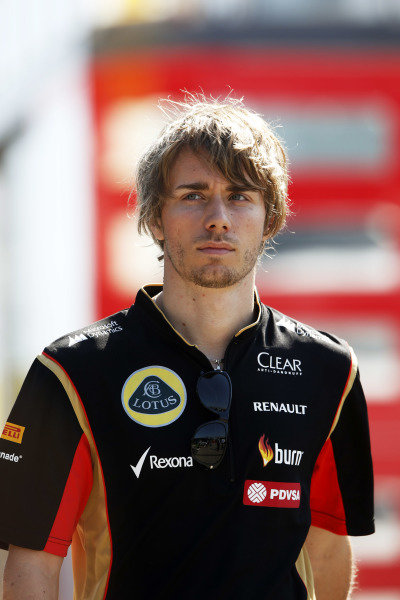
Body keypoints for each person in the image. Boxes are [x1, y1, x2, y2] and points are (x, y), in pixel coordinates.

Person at [0, 96, 374, 600]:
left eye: (240, 196)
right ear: (155, 219)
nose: (218, 218)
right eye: (194, 195)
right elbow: (33, 564)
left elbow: (328, 548)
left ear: (270, 219)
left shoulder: (332, 371)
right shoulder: (70, 373)